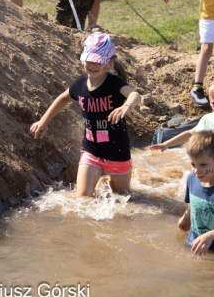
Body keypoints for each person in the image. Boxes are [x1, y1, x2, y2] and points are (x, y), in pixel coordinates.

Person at [30, 32, 141, 197]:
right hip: (91, 150)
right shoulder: (79, 85)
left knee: (123, 199)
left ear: (109, 63)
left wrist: (127, 105)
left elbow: (135, 95)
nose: (92, 65)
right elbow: (63, 98)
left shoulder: (114, 84)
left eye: (98, 61)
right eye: (89, 60)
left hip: (118, 152)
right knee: (82, 198)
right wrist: (43, 121)